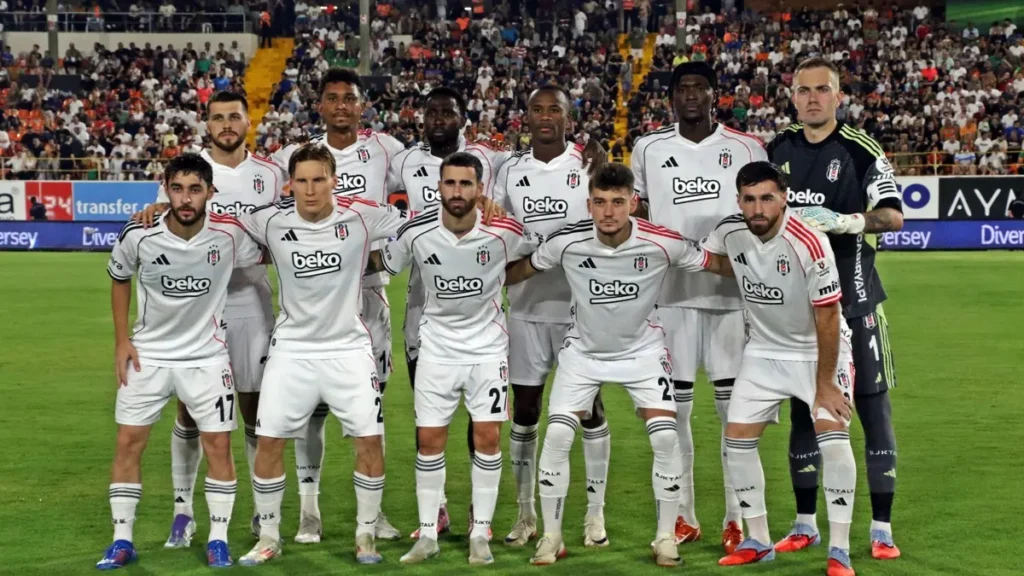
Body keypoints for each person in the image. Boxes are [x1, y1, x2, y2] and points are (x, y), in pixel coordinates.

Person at [504, 163, 729, 567]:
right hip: (583, 355)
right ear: (588, 203)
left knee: (665, 438)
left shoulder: (662, 242)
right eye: (600, 202)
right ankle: (552, 537)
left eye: (618, 202)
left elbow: (717, 264)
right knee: (557, 435)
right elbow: (519, 270)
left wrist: (769, 267)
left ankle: (665, 538)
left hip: (643, 354)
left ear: (633, 203)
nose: (608, 212)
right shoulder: (566, 242)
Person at [234, 143, 411, 566]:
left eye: (318, 180)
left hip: (349, 349)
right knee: (269, 441)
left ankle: (365, 536)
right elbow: (217, 221)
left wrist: (484, 206)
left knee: (369, 440)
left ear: (334, 181)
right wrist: (161, 210)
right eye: (302, 181)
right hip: (291, 351)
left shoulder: (362, 216)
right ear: (290, 184)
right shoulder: (269, 220)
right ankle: (269, 536)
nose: (310, 190)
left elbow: (422, 219)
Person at [97, 153, 265, 570]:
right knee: (128, 442)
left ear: (210, 192)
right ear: (165, 190)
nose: (186, 199)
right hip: (148, 356)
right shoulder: (139, 233)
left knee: (219, 446)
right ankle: (121, 540)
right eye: (177, 189)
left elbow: (274, 245)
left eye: (195, 189)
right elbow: (119, 277)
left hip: (207, 357)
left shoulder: (230, 235)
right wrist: (122, 341)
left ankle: (218, 540)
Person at [366, 152, 535, 565]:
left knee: (488, 439)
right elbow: (385, 263)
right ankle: (427, 534)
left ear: (479, 189)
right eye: (450, 183)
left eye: (465, 183)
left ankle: (480, 534)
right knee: (429, 441)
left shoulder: (504, 230)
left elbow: (538, 256)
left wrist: (501, 278)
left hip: (487, 350)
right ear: (439, 187)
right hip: (436, 349)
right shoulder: (417, 231)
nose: (457, 191)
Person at [767, 56, 904, 560]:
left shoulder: (860, 149)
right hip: (801, 309)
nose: (812, 98)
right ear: (792, 97)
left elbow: (893, 216)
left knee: (872, 410)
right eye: (803, 90)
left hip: (857, 304)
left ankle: (882, 528)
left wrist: (847, 221)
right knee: (806, 413)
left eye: (822, 89)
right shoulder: (778, 147)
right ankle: (805, 524)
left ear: (838, 96)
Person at [134, 90, 285, 546]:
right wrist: (153, 211)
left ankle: (260, 512)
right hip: (196, 310)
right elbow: (162, 220)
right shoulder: (191, 169)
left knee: (256, 412)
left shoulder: (270, 174)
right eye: (218, 117)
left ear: (248, 122)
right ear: (207, 123)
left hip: (250, 302)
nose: (226, 124)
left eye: (234, 116)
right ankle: (183, 513)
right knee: (190, 414)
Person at [630, 61, 768, 551]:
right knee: (676, 415)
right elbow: (635, 212)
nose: (691, 94)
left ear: (714, 95)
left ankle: (736, 516)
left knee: (734, 415)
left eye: (700, 87)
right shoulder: (648, 147)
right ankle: (684, 516)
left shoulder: (747, 148)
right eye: (682, 88)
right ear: (671, 97)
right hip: (671, 298)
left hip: (732, 299)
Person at [701, 161, 858, 576]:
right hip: (764, 351)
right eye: (749, 199)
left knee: (833, 438)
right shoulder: (730, 231)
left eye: (767, 198)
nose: (758, 208)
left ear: (784, 198)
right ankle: (758, 540)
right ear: (739, 201)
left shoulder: (809, 241)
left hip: (819, 351)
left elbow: (828, 315)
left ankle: (839, 550)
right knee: (737, 438)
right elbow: (718, 259)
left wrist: (825, 384)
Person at [272, 68, 407, 542]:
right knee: (311, 409)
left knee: (371, 409)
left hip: (369, 293)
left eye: (349, 98)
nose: (341, 106)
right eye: (332, 98)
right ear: (321, 106)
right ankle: (309, 510)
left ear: (361, 104)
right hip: (315, 295)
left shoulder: (387, 149)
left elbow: (422, 195)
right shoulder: (296, 155)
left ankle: (374, 512)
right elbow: (259, 201)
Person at [385, 87, 510, 537]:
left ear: (462, 117)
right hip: (424, 309)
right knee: (429, 422)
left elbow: (521, 180)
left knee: (483, 424)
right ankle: (436, 509)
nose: (440, 119)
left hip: (477, 304)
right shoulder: (402, 161)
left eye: (448, 112)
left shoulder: (489, 158)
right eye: (432, 112)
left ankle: (480, 511)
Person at [492, 86, 612, 548]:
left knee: (590, 410)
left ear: (568, 117)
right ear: (526, 117)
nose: (546, 117)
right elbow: (497, 227)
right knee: (525, 411)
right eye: (537, 109)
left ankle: (595, 516)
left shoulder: (589, 163)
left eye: (554, 110)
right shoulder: (509, 170)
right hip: (525, 309)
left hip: (580, 310)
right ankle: (526, 515)